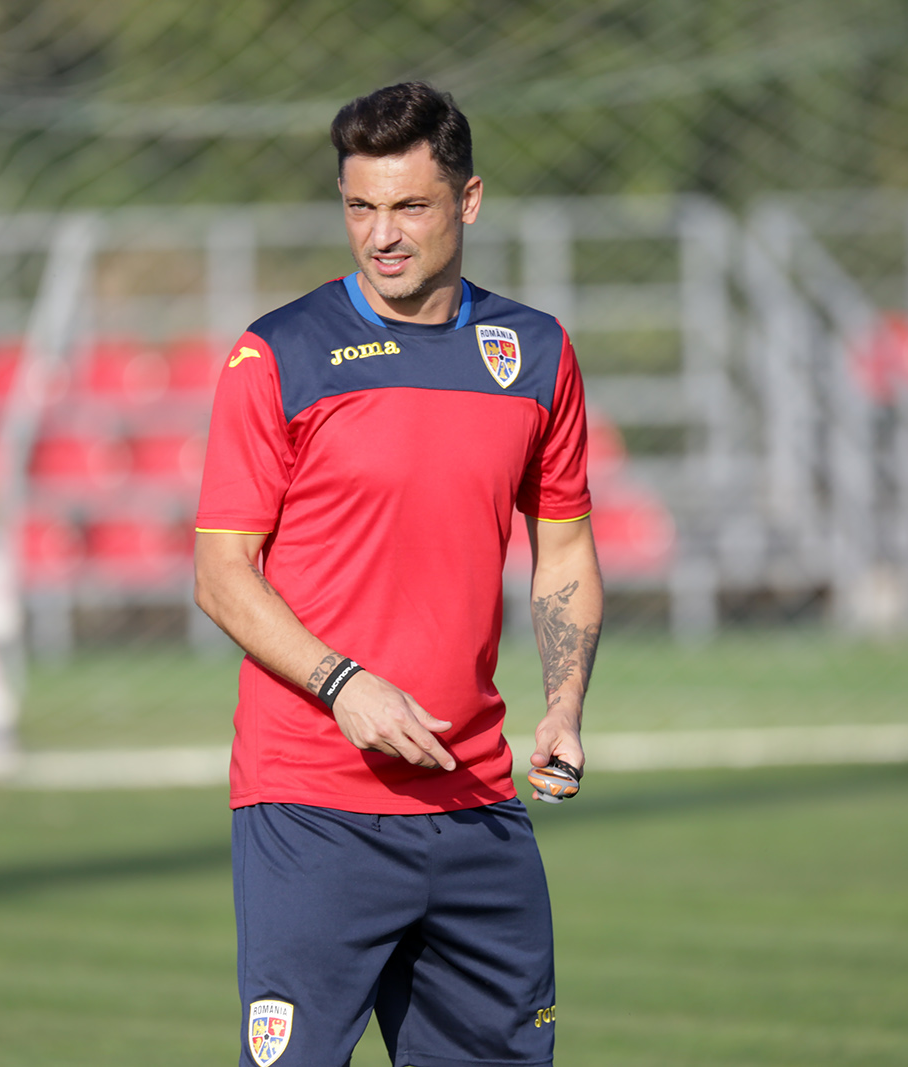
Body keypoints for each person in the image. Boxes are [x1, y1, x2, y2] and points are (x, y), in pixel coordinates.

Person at [193, 81, 602, 1067]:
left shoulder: (534, 352)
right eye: (360, 207)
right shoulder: (278, 353)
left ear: (468, 201)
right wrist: (343, 683)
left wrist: (563, 704)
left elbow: (564, 547)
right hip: (312, 805)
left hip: (474, 799)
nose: (381, 235)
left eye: (410, 206)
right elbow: (220, 572)